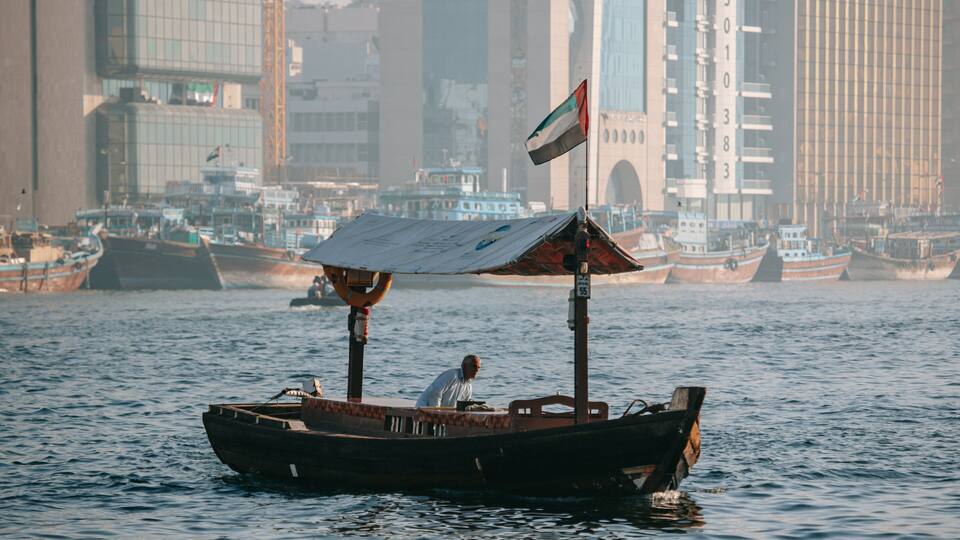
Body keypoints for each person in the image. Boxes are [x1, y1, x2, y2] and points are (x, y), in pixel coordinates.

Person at [415, 354, 481, 408]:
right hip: (424, 409)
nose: (477, 370)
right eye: (474, 366)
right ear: (464, 366)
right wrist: (437, 412)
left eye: (478, 368)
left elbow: (464, 406)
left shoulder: (469, 386)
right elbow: (435, 392)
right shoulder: (452, 375)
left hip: (442, 414)